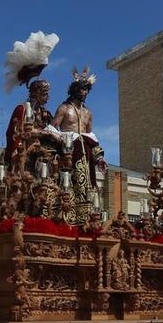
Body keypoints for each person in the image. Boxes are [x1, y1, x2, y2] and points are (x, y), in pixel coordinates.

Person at [51, 69, 106, 220]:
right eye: (82, 89)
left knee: (87, 183)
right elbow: (52, 128)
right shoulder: (64, 108)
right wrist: (63, 141)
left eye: (87, 89)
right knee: (70, 182)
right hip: (69, 150)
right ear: (75, 90)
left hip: (85, 152)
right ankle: (66, 213)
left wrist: (99, 159)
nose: (85, 92)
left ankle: (86, 215)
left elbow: (91, 137)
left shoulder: (88, 112)